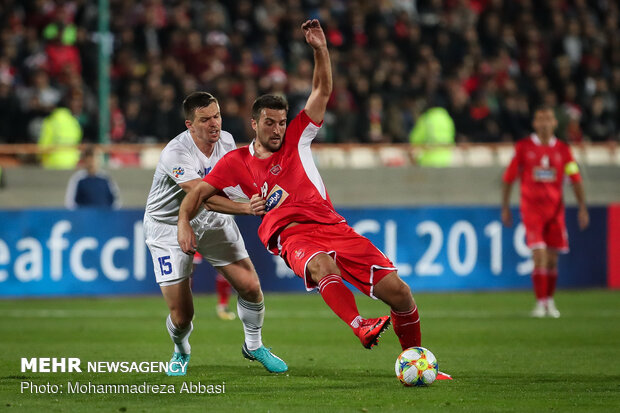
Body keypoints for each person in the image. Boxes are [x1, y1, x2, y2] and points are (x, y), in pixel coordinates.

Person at [178, 21, 450, 380]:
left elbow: (321, 89)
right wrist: (185, 221)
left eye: (281, 122)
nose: (278, 129)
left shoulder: (297, 137)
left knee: (400, 293)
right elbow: (199, 193)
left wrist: (320, 49)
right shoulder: (235, 162)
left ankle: (415, 361)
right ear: (254, 124)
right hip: (290, 234)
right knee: (322, 267)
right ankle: (359, 324)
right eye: (270, 123)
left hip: (332, 226)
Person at [143, 91, 287, 376]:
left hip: (210, 221)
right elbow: (202, 196)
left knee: (250, 285)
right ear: (189, 125)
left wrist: (263, 195)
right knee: (182, 315)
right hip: (169, 227)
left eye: (217, 116)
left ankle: (254, 345)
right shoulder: (176, 153)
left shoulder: (227, 141)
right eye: (205, 119)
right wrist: (247, 208)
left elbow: (231, 184)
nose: (214, 124)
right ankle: (181, 350)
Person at [501, 106, 589, 318]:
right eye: (540, 119)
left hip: (555, 211)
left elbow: (575, 178)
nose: (544, 123)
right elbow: (509, 177)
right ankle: (540, 303)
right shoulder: (523, 148)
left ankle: (549, 300)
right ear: (534, 123)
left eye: (548, 119)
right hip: (532, 210)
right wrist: (505, 206)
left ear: (555, 123)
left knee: (552, 259)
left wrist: (582, 207)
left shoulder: (563, 150)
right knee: (539, 254)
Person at [65, 145, 121, 209]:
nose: (93, 161)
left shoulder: (106, 178)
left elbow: (116, 200)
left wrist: (109, 214)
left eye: (96, 158)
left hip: (104, 216)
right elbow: (70, 203)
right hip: (84, 217)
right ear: (85, 160)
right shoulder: (78, 179)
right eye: (90, 158)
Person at [191, 252, 236, 320]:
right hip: (193, 242)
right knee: (188, 273)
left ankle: (222, 307)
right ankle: (185, 309)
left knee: (225, 267)